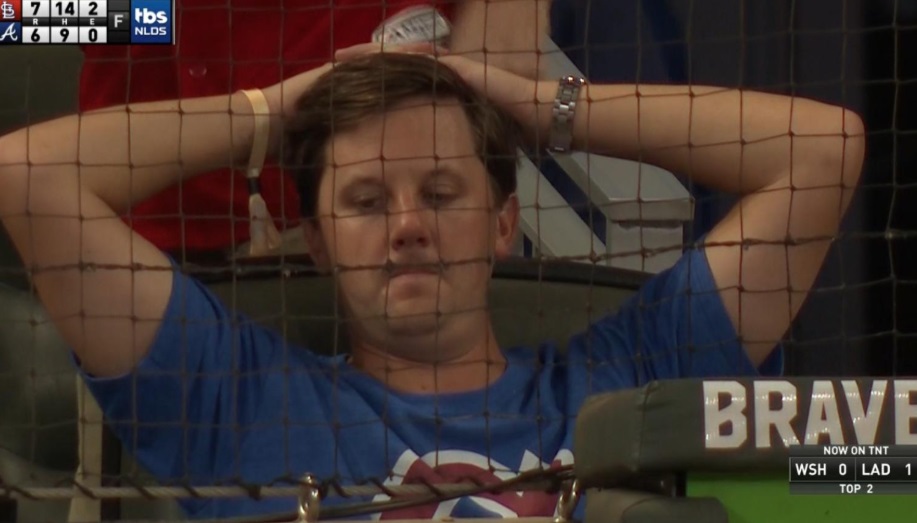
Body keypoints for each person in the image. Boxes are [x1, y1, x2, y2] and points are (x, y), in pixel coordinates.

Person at [0, 48, 864, 520]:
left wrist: (533, 106)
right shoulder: (236, 398)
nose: (408, 223)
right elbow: (27, 175)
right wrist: (275, 109)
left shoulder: (625, 377)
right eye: (367, 201)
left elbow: (821, 151)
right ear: (317, 238)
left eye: (442, 192)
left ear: (500, 222)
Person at [80, 0, 550, 260]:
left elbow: (493, 93)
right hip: (144, 234)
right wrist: (162, 18)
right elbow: (20, 18)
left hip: (362, 242)